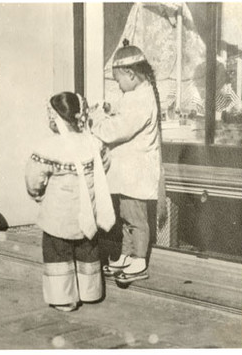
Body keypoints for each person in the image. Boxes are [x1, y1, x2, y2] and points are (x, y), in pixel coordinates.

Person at [25, 92, 115, 312]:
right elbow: (104, 166)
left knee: (58, 251)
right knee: (87, 246)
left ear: (54, 118)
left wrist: (38, 195)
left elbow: (33, 178)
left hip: (59, 211)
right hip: (88, 209)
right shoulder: (94, 142)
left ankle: (65, 298)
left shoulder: (48, 147)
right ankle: (90, 291)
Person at [90, 39, 164, 284]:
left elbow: (117, 129)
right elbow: (121, 113)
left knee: (135, 218)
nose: (118, 85)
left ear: (131, 74)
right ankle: (126, 254)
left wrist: (96, 121)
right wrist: (107, 109)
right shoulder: (135, 94)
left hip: (136, 171)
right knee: (125, 216)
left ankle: (139, 259)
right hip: (127, 172)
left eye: (119, 79)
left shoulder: (141, 99)